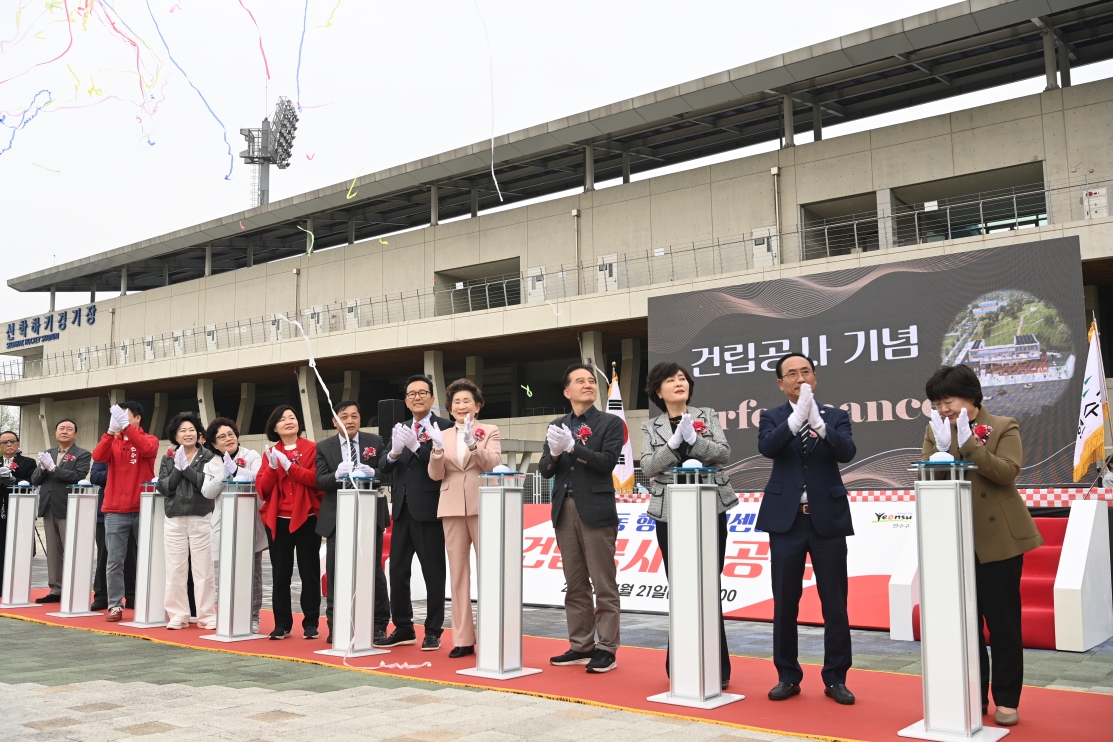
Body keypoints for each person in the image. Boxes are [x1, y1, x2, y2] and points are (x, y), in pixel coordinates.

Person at [921, 364, 1043, 728]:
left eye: (948, 400)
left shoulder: (1003, 426)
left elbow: (1006, 473)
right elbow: (928, 480)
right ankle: (973, 695)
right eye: (937, 403)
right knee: (964, 626)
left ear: (971, 396)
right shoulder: (935, 430)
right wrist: (942, 450)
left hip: (998, 539)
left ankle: (1006, 699)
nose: (942, 408)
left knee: (1003, 624)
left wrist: (969, 443)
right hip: (953, 540)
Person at [757, 352, 857, 705]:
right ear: (780, 383)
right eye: (792, 374)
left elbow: (847, 452)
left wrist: (820, 425)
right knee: (785, 602)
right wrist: (796, 420)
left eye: (806, 372)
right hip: (787, 520)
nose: (800, 378)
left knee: (835, 603)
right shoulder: (771, 417)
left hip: (827, 518)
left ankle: (836, 678)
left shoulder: (836, 416)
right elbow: (767, 447)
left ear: (815, 377)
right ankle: (787, 676)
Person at [639, 362, 737, 688]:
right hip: (670, 512)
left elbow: (722, 453)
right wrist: (672, 445)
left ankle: (717, 666)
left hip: (710, 506)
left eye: (682, 378)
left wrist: (694, 440)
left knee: (708, 583)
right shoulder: (650, 426)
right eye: (670, 380)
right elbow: (649, 467)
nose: (679, 383)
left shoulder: (705, 415)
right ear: (658, 391)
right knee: (680, 586)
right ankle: (680, 664)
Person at [539, 363, 625, 674]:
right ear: (567, 392)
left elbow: (607, 463)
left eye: (591, 380)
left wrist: (573, 448)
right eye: (580, 381)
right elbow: (545, 470)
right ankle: (581, 644)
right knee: (574, 582)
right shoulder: (557, 424)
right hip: (564, 509)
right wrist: (555, 454)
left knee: (603, 582)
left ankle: (607, 647)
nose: (588, 384)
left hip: (596, 509)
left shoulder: (610, 423)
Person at [378, 374, 454, 650]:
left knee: (433, 573)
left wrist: (417, 448)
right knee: (397, 571)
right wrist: (394, 453)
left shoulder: (445, 427)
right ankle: (403, 627)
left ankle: (433, 631)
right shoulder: (400, 427)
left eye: (422, 393)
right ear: (406, 401)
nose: (417, 397)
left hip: (430, 510)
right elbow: (383, 467)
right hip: (401, 510)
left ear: (432, 398)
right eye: (412, 394)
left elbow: (444, 466)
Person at [428, 378, 502, 659]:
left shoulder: (489, 431)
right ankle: (462, 638)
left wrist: (473, 444)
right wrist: (436, 452)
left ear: (478, 406)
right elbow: (435, 475)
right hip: (451, 506)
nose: (461, 406)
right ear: (450, 409)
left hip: (483, 503)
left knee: (489, 570)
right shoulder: (442, 434)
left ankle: (492, 633)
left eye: (467, 401)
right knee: (458, 574)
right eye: (456, 402)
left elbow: (492, 463)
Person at [314, 400, 390, 645]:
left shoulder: (375, 442)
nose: (350, 421)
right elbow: (320, 481)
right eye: (344, 416)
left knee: (373, 570)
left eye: (354, 416)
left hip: (369, 516)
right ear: (335, 421)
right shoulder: (324, 447)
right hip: (338, 518)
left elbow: (387, 473)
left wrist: (373, 474)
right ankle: (336, 625)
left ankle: (379, 624)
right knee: (336, 571)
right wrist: (337, 475)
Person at [256, 405, 322, 640]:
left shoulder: (313, 448)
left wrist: (290, 467)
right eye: (282, 419)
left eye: (292, 417)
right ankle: (281, 624)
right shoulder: (270, 453)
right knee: (280, 573)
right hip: (279, 520)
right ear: (274, 428)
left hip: (307, 518)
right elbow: (262, 489)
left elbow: (316, 479)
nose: (288, 421)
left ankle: (311, 622)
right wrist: (273, 468)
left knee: (309, 572)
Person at [92, 401, 159, 621]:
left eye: (124, 416)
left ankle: (151, 600)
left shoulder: (150, 439)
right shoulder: (113, 440)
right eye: (117, 416)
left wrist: (128, 429)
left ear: (137, 418)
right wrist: (110, 432)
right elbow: (98, 456)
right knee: (114, 561)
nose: (120, 420)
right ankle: (114, 605)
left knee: (148, 557)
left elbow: (147, 449)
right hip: (115, 509)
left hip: (143, 508)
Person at [201, 417, 264, 634]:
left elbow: (260, 479)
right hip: (225, 525)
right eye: (222, 437)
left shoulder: (251, 455)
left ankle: (253, 616)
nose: (228, 439)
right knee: (228, 572)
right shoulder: (211, 464)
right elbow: (207, 492)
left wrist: (237, 470)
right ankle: (230, 612)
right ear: (214, 444)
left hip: (249, 522)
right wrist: (224, 472)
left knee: (253, 573)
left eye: (231, 434)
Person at [157, 413, 220, 630]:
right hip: (174, 519)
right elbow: (164, 487)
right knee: (175, 569)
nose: (188, 434)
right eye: (182, 431)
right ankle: (178, 614)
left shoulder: (209, 456)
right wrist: (177, 468)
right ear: (175, 435)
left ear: (199, 433)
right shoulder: (168, 457)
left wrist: (187, 469)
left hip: (200, 517)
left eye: (192, 430)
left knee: (203, 569)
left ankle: (206, 615)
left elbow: (206, 484)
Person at [32, 419, 92, 604]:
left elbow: (78, 476)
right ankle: (56, 589)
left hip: (69, 506)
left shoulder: (82, 454)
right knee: (53, 550)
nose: (64, 431)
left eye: (69, 429)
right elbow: (34, 479)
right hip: (48, 506)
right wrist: (43, 469)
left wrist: (54, 468)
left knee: (71, 548)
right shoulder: (48, 452)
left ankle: (75, 588)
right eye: (61, 428)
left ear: (76, 434)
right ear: (56, 432)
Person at [90, 461, 137, 613]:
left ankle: (132, 595)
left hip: (131, 511)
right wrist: (119, 471)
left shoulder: (134, 453)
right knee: (106, 557)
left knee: (131, 556)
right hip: (106, 513)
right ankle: (102, 596)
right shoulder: (105, 455)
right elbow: (95, 477)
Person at [0, 431, 37, 597]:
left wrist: (14, 480)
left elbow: (33, 482)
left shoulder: (28, 462)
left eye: (12, 441)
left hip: (20, 510)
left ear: (18, 443)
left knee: (18, 548)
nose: (9, 444)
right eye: (4, 442)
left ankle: (16, 586)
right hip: (1, 509)